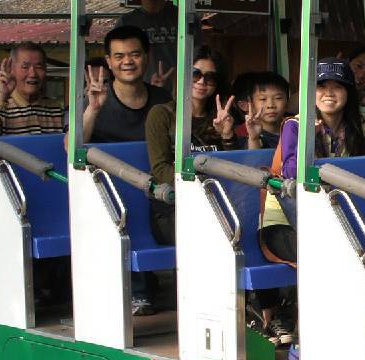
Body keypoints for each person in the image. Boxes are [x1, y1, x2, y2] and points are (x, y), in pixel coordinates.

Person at [263, 59, 365, 360]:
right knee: (325, 252)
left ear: (349, 92)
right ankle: (301, 342)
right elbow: (293, 172)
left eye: (337, 86)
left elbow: (363, 171)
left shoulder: (358, 126)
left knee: (357, 249)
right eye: (321, 86)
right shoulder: (295, 125)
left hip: (335, 216)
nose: (329, 93)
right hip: (285, 222)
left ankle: (351, 341)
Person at [144, 49, 232, 246]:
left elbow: (233, 165)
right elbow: (160, 169)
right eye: (195, 74)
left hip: (216, 202)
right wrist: (200, 188)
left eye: (210, 77)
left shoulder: (221, 117)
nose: (201, 82)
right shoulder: (162, 114)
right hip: (173, 206)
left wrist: (226, 135)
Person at [83, 25, 171, 144]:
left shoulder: (163, 99)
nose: (127, 61)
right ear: (109, 61)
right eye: (119, 56)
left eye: (135, 55)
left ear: (147, 57)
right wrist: (92, 110)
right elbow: (69, 147)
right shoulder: (94, 99)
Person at [117, 0, 178, 88]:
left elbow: (197, 59)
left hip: (179, 98)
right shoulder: (126, 23)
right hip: (138, 97)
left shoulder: (183, 19)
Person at [0, 42, 65, 136]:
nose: (33, 74)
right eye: (25, 67)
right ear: (12, 70)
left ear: (45, 70)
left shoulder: (55, 108)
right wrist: (2, 96)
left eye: (39, 67)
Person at [228, 70, 289, 151]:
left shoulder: (295, 129)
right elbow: (252, 161)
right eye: (263, 99)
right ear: (251, 103)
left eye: (278, 98)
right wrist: (254, 139)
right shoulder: (243, 136)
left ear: (288, 102)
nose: (270, 105)